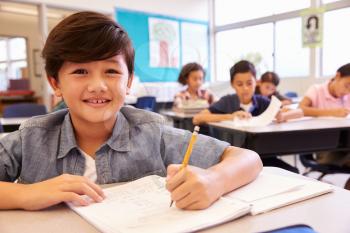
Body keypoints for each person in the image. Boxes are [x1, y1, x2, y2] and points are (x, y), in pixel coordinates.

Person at [0, 11, 262, 210]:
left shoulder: (150, 133)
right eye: (80, 71)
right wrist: (26, 194)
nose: (98, 86)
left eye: (112, 72)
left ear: (128, 82)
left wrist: (214, 181)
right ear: (55, 83)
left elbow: (248, 158)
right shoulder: (32, 137)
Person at [193, 60, 299, 173]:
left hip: (262, 157)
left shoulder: (262, 101)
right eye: (239, 84)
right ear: (232, 84)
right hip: (234, 160)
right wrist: (230, 116)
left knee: (293, 172)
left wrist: (282, 115)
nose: (245, 88)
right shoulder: (227, 101)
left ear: (256, 82)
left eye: (249, 83)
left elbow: (299, 112)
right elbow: (198, 118)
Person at [299, 63, 350, 188]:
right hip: (325, 149)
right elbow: (300, 109)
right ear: (337, 76)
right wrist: (332, 112)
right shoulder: (317, 90)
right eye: (347, 85)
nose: (347, 91)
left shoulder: (348, 96)